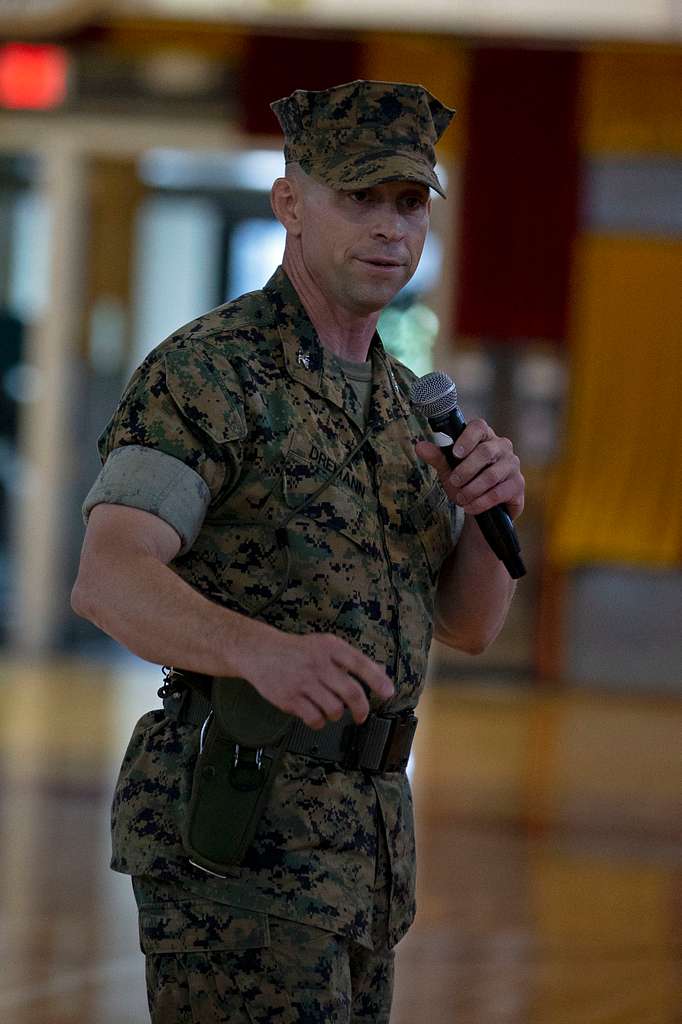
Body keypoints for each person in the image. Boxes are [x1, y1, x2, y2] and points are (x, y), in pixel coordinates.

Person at [71, 79, 524, 1024]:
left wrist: (489, 513)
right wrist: (258, 649)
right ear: (289, 203)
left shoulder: (406, 403)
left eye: (408, 203)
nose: (389, 228)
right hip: (238, 844)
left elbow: (469, 625)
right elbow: (109, 577)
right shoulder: (211, 374)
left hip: (363, 856)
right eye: (358, 197)